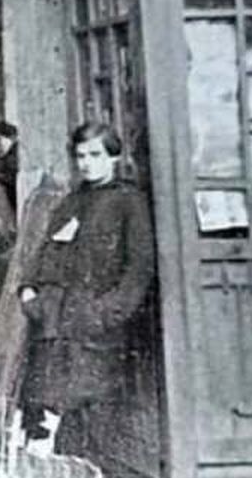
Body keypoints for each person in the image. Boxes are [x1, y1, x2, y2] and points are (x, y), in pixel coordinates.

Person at [19, 122, 154, 455]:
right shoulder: (70, 202)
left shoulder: (129, 202)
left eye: (95, 155)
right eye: (80, 156)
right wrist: (28, 292)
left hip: (96, 327)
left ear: (114, 157)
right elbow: (43, 252)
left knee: (89, 412)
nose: (86, 163)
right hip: (53, 322)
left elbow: (139, 268)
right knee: (43, 411)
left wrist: (106, 313)